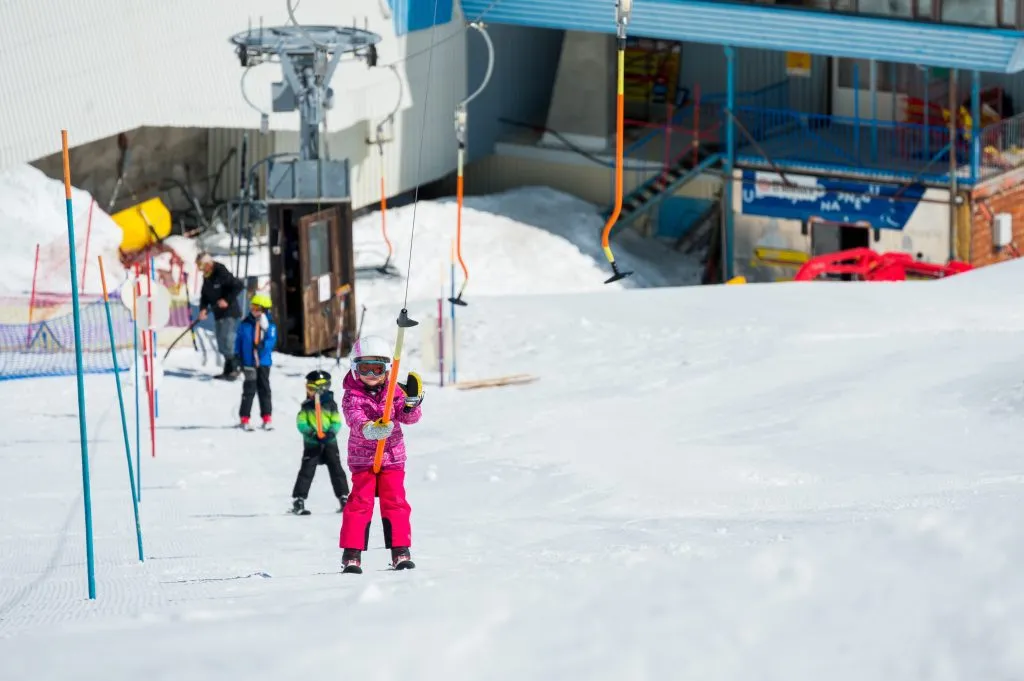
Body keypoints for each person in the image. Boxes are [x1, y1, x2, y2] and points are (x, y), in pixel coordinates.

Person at [338, 335, 424, 573]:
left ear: (388, 369)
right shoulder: (352, 394)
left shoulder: (394, 390)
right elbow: (353, 418)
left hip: (392, 458)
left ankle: (400, 551)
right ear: (355, 369)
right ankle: (352, 554)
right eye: (365, 368)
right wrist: (369, 428)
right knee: (359, 503)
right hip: (363, 459)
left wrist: (410, 405)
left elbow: (409, 419)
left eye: (378, 369)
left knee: (395, 502)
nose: (372, 375)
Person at [292, 370, 350, 515]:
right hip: (312, 443)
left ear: (322, 389)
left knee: (336, 469)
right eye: (308, 388)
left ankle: (343, 497)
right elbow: (301, 423)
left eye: (311, 388)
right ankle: (299, 499)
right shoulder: (306, 406)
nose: (309, 392)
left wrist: (330, 432)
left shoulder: (330, 404)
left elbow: (336, 422)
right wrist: (311, 433)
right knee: (307, 471)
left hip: (329, 443)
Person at [196, 252, 245, 379]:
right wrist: (203, 309)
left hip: (230, 312)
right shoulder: (207, 276)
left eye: (201, 266)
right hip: (218, 313)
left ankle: (235, 368)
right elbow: (204, 295)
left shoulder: (220, 271)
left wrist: (226, 300)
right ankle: (228, 370)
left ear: (208, 264)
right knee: (221, 342)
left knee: (228, 341)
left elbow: (238, 286)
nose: (200, 269)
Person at [235, 293, 277, 430]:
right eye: (252, 307)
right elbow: (239, 342)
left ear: (264, 309)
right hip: (248, 363)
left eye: (257, 308)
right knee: (249, 390)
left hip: (263, 363)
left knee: (264, 390)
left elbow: (271, 342)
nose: (253, 310)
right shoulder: (245, 324)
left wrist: (262, 346)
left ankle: (267, 418)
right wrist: (237, 357)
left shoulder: (269, 325)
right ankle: (244, 418)